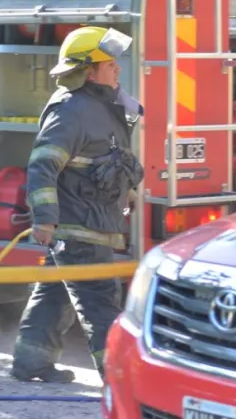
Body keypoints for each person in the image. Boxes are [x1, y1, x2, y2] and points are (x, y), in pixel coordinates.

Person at [11, 26, 145, 384]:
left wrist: (126, 191)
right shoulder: (70, 110)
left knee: (54, 293)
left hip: (94, 221)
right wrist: (45, 220)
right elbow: (43, 165)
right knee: (101, 301)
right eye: (109, 63)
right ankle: (119, 380)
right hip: (78, 227)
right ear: (89, 70)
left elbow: (106, 159)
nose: (117, 68)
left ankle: (30, 362)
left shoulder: (104, 106)